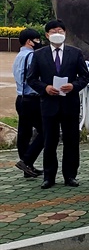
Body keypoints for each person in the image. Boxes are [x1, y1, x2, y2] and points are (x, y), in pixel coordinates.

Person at [27, 19, 89, 189]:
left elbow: (85, 77)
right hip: (49, 104)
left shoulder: (75, 53)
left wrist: (73, 86)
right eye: (53, 31)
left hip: (69, 103)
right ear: (47, 35)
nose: (57, 34)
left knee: (71, 141)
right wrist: (45, 88)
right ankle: (49, 176)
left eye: (60, 31)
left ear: (65, 33)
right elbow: (31, 79)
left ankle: (70, 175)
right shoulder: (39, 54)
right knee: (50, 141)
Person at [13, 28, 45, 178]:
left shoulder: (19, 56)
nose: (39, 42)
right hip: (32, 99)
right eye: (37, 40)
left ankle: (28, 167)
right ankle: (26, 161)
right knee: (45, 131)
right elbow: (35, 78)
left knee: (24, 133)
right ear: (29, 41)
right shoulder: (32, 56)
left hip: (20, 98)